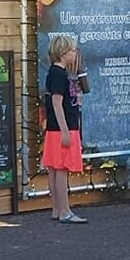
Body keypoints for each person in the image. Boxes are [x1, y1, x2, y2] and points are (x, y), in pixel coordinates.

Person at [42, 34, 88, 224]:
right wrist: (66, 130)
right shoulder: (58, 74)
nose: (74, 53)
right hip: (63, 128)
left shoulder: (57, 73)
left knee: (54, 169)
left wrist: (76, 99)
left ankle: (56, 208)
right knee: (61, 169)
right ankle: (65, 211)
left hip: (56, 128)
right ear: (62, 53)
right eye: (72, 50)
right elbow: (56, 102)